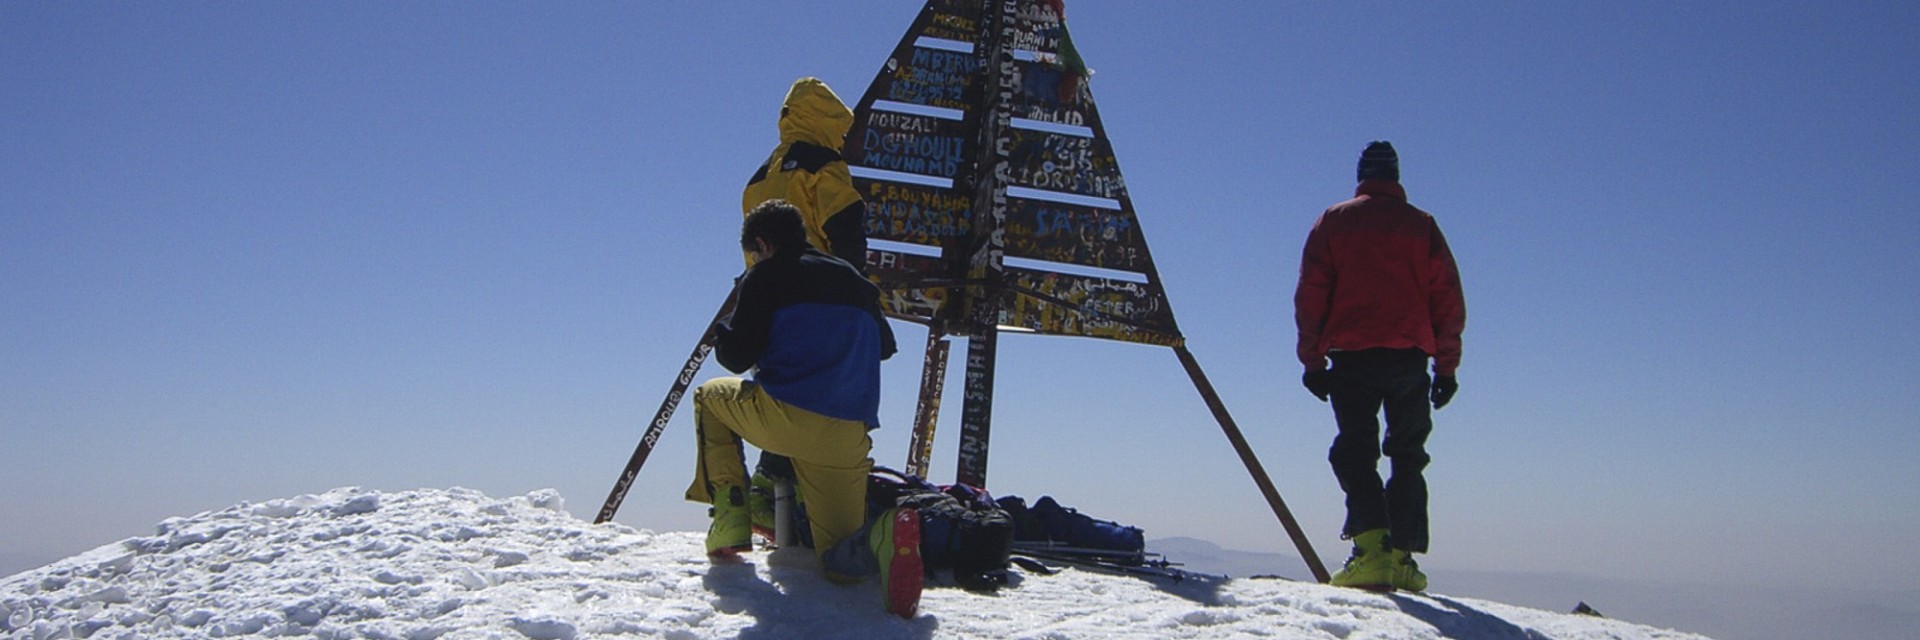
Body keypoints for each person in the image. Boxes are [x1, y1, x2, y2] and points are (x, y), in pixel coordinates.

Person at [684, 200, 922, 617]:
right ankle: (883, 533)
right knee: (840, 563)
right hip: (848, 433)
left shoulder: (766, 275)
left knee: (709, 398)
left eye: (754, 253)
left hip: (787, 417)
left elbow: (736, 357)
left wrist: (726, 326)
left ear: (762, 243)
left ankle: (731, 520)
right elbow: (885, 347)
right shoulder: (855, 281)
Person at [1293, 141, 1466, 592]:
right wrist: (1446, 369)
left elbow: (1311, 294)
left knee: (1355, 451)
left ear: (1362, 175)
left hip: (1351, 356)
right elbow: (1447, 298)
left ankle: (1371, 552)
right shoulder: (1421, 226)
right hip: (1409, 357)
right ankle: (1403, 559)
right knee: (1407, 453)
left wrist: (1313, 362)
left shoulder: (1335, 221)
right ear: (1395, 176)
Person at [740, 77, 871, 535]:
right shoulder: (822, 163)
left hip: (768, 298)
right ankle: (804, 508)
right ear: (829, 119)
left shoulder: (760, 175)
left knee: (784, 395)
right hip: (819, 301)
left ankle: (766, 500)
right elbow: (845, 224)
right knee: (825, 400)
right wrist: (854, 287)